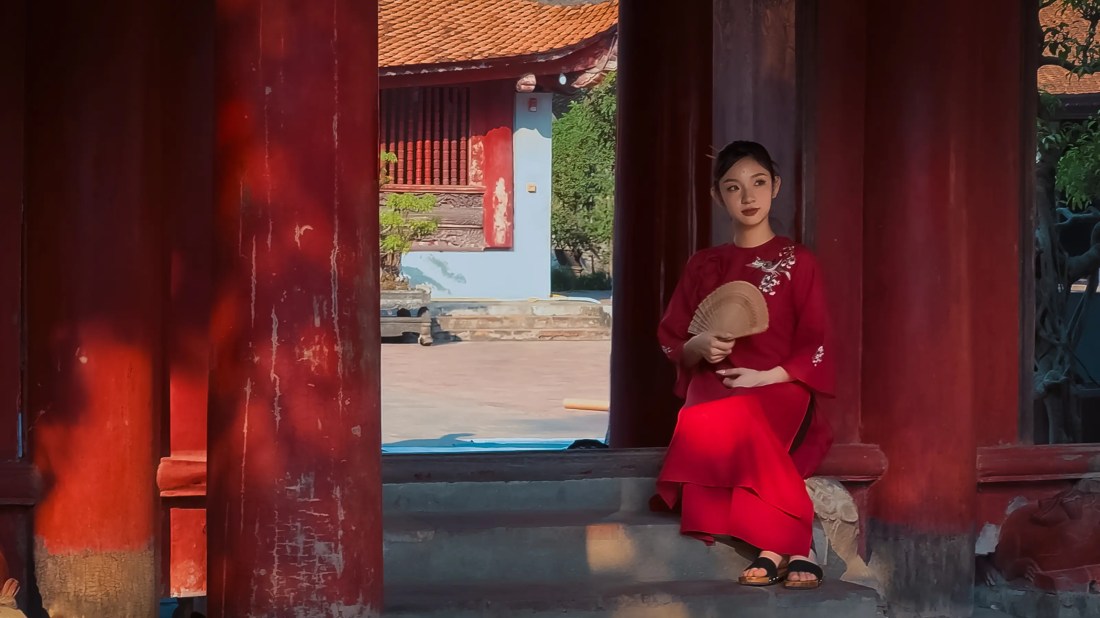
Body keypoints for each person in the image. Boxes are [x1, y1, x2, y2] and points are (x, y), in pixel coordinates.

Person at [654, 140, 835, 589]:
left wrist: (766, 375)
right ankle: (797, 546)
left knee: (746, 411)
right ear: (719, 197)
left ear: (775, 187)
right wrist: (701, 346)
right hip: (715, 383)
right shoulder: (703, 265)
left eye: (758, 183)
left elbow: (818, 339)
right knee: (718, 411)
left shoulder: (799, 260)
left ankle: (774, 547)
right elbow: (673, 340)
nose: (748, 197)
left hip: (779, 381)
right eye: (734, 188)